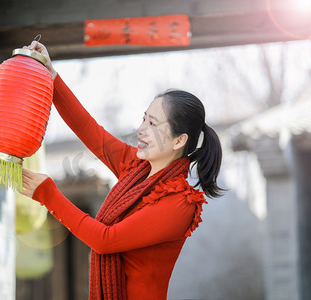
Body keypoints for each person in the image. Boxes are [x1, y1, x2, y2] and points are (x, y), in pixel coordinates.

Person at [20, 41, 225, 300]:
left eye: (152, 123)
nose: (140, 129)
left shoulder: (180, 204)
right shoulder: (135, 168)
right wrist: (52, 76)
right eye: (143, 119)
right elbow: (88, 130)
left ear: (178, 140)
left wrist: (48, 194)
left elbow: (105, 240)